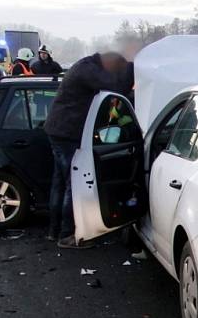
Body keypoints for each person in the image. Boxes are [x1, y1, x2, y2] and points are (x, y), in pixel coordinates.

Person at [43, 52, 134, 248]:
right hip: (67, 132)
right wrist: (132, 68)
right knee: (73, 184)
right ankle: (68, 236)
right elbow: (117, 87)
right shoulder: (88, 70)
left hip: (58, 130)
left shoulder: (84, 65)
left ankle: (54, 231)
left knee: (59, 182)